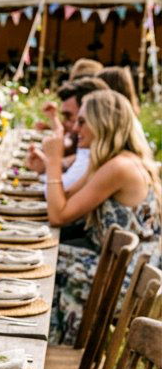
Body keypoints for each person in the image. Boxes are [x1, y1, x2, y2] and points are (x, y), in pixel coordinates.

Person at [37, 89, 162, 344]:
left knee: (41, 266)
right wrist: (49, 164)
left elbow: (58, 215)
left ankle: (53, 351)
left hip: (126, 278)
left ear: (102, 122)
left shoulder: (120, 167)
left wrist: (53, 161)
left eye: (83, 122)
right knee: (38, 259)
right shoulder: (111, 161)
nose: (75, 129)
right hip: (113, 265)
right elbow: (65, 198)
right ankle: (42, 345)